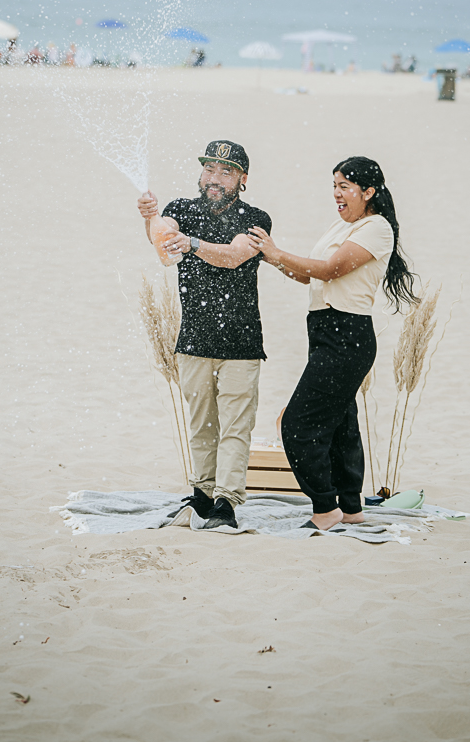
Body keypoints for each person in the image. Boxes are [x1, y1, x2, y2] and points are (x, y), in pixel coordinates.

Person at [247, 156, 418, 531]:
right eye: (334, 187)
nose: (337, 194)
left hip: (348, 336)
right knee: (342, 425)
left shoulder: (377, 229)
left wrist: (278, 253)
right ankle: (351, 507)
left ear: (369, 191)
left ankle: (325, 509)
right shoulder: (343, 227)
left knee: (296, 424)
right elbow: (310, 276)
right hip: (324, 332)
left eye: (345, 186)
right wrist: (272, 256)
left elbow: (330, 269)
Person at [137, 141, 272, 530]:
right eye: (209, 170)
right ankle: (201, 493)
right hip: (193, 338)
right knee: (202, 425)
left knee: (235, 427)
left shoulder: (256, 218)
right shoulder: (181, 208)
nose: (214, 179)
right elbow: (164, 240)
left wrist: (193, 245)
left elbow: (233, 255)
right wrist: (150, 219)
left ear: (242, 179)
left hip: (241, 343)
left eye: (225, 172)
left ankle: (226, 501)